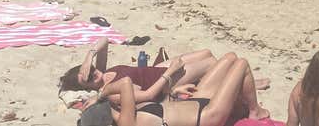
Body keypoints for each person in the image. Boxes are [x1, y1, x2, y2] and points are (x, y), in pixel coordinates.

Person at [78, 55, 269, 126]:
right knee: (242, 64)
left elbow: (160, 107)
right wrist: (101, 94)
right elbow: (126, 82)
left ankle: (239, 106)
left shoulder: (126, 113)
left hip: (192, 102)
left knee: (229, 59)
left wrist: (174, 93)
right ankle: (255, 112)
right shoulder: (127, 121)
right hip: (206, 116)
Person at [59, 38, 216, 100]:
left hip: (154, 69)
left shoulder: (102, 71)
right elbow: (148, 95)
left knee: (206, 53)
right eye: (88, 79)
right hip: (167, 80)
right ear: (87, 89)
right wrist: (170, 72)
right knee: (211, 63)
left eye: (89, 70)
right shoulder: (111, 90)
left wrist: (89, 57)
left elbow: (105, 41)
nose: (93, 74)